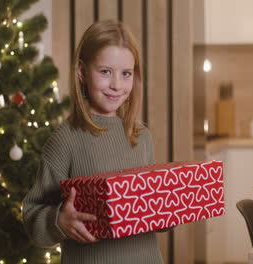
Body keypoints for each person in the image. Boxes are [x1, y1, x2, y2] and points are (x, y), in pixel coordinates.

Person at [22, 20, 167, 263]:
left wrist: (168, 210)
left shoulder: (141, 137)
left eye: (126, 74)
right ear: (82, 72)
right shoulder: (64, 140)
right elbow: (31, 216)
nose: (116, 85)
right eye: (105, 72)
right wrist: (58, 220)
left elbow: (152, 210)